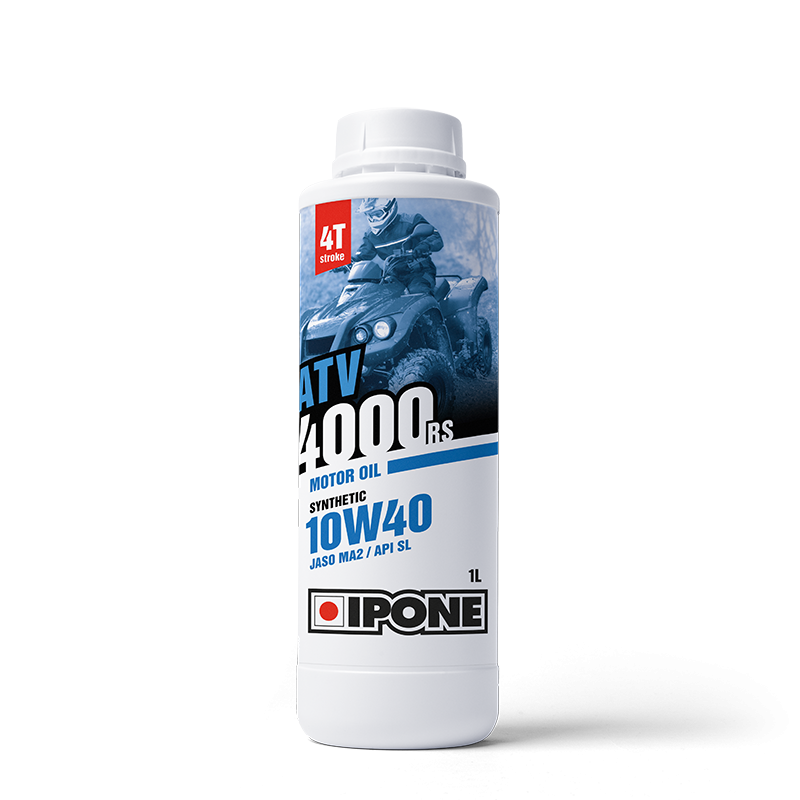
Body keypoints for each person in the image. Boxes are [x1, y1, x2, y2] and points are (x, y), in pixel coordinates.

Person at [353, 198, 443, 294]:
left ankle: (430, 302)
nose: (373, 218)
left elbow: (436, 237)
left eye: (377, 214)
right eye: (370, 215)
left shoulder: (411, 221)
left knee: (418, 293)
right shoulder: (370, 235)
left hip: (419, 271)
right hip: (393, 275)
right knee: (379, 296)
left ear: (390, 209)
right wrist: (349, 261)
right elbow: (363, 253)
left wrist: (424, 246)